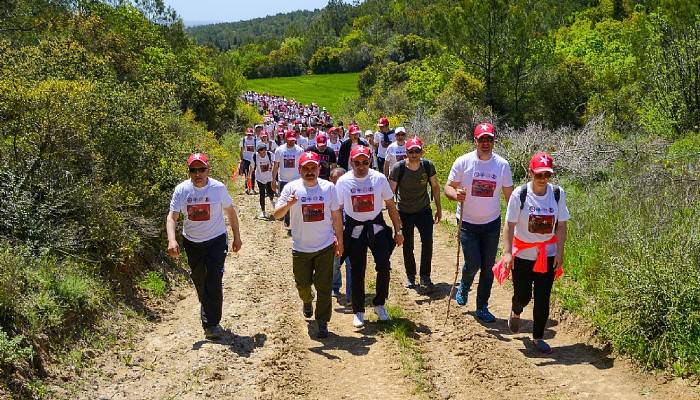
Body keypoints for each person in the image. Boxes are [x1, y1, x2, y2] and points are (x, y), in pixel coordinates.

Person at [166, 152, 243, 340]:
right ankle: (206, 302)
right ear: (189, 172)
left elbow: (230, 212)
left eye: (201, 169)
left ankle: (211, 324)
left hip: (216, 240)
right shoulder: (182, 190)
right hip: (192, 242)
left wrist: (237, 236)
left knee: (214, 279)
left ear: (208, 170)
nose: (198, 173)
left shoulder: (218, 188)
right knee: (200, 278)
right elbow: (172, 217)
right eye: (194, 170)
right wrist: (171, 239)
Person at [444, 122, 514, 323]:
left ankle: (482, 306)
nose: (485, 143)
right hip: (467, 222)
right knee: (473, 262)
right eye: (481, 139)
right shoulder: (463, 162)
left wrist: (517, 219)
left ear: (493, 141)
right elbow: (449, 186)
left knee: (488, 265)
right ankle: (464, 285)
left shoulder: (502, 165)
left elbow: (510, 197)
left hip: (491, 222)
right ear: (475, 141)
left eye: (489, 139)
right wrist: (455, 194)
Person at [502, 152, 569, 354]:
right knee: (523, 295)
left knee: (543, 297)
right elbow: (509, 225)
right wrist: (507, 252)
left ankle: (538, 337)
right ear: (531, 172)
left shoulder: (557, 193)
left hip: (546, 255)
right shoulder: (520, 194)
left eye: (546, 174)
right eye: (539, 174)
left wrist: (559, 252)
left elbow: (562, 225)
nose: (543, 179)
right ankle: (516, 309)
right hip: (523, 255)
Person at [273, 152, 344, 338]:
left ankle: (322, 322)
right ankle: (306, 300)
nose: (310, 171)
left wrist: (340, 241)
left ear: (319, 169)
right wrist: (288, 204)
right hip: (301, 248)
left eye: (313, 168)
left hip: (325, 246)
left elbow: (336, 216)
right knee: (302, 284)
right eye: (306, 168)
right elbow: (277, 215)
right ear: (300, 169)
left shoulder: (328, 188)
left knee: (324, 286)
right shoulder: (291, 188)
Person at [336, 146, 403, 328]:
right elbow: (337, 210)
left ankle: (380, 303)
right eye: (357, 163)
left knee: (383, 266)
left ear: (370, 161)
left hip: (376, 225)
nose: (361, 166)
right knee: (357, 269)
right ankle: (358, 311)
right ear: (351, 162)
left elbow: (390, 205)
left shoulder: (379, 179)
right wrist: (338, 236)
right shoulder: (343, 182)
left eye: (365, 162)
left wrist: (398, 231)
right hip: (354, 227)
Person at [388, 137, 441, 290]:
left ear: (421, 152)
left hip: (424, 210)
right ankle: (411, 275)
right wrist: (395, 216)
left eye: (417, 151)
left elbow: (435, 186)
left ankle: (425, 276)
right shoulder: (399, 168)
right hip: (405, 211)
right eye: (411, 151)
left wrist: (438, 208)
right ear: (406, 153)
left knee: (428, 242)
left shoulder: (427, 165)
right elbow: (390, 192)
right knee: (408, 244)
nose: (414, 154)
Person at [272, 130, 305, 229]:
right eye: (290, 140)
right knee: (285, 201)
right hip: (283, 180)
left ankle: (294, 222)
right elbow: (276, 165)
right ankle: (287, 219)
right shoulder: (279, 150)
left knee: (296, 202)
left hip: (296, 180)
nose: (291, 142)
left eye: (293, 140)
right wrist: (273, 179)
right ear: (285, 139)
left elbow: (302, 166)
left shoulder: (300, 150)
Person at [329, 167, 351, 301]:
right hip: (333, 234)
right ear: (331, 180)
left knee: (351, 263)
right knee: (334, 263)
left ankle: (351, 294)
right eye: (337, 179)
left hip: (350, 233)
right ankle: (335, 286)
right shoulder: (327, 195)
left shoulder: (351, 192)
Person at [250, 142, 275, 219]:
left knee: (271, 192)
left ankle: (272, 200)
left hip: (269, 177)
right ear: (258, 151)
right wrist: (249, 176)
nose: (263, 152)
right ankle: (263, 212)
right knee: (262, 194)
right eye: (261, 151)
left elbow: (275, 164)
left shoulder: (270, 155)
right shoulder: (255, 156)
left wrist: (275, 175)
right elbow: (251, 166)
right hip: (260, 178)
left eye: (264, 150)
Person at [240, 128, 258, 194]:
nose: (249, 136)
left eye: (250, 134)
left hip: (253, 159)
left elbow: (257, 150)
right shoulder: (243, 140)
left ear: (252, 134)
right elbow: (241, 150)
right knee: (247, 173)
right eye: (248, 134)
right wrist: (241, 159)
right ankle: (247, 188)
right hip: (246, 159)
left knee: (253, 174)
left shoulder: (255, 140)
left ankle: (252, 188)